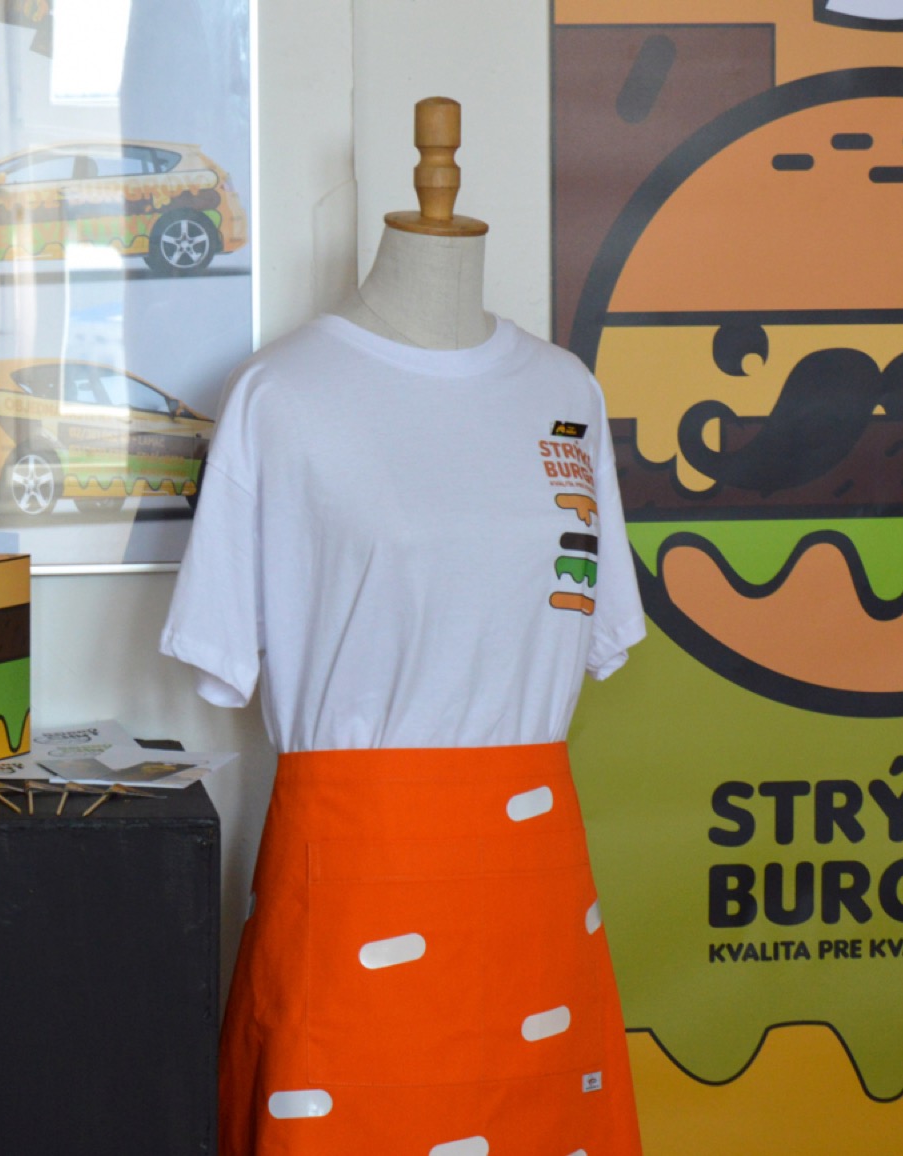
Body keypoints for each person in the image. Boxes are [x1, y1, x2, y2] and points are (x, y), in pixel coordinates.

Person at [161, 98, 646, 1155]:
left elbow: (597, 628)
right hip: (354, 866)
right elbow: (221, 655)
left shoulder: (564, 393)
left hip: (530, 880)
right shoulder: (281, 395)